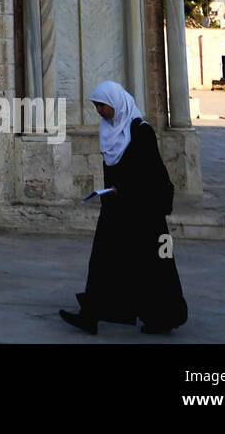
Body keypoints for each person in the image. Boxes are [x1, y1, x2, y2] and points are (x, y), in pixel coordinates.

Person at [59, 81, 188, 335]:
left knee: (157, 263)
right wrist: (112, 191)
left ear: (116, 104)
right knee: (103, 261)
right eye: (96, 106)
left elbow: (152, 174)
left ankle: (164, 317)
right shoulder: (109, 130)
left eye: (102, 106)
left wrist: (124, 189)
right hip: (117, 211)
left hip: (146, 214)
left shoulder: (141, 131)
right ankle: (91, 315)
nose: (99, 112)